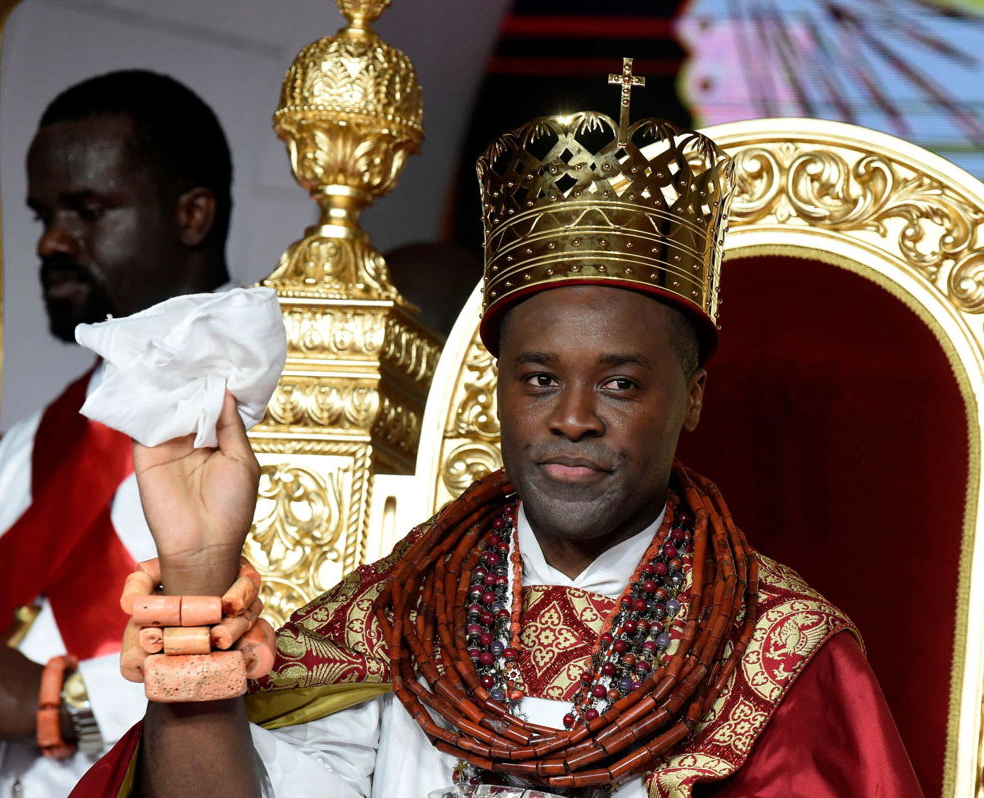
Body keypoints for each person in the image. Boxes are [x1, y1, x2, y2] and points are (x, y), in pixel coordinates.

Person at [76, 96, 921, 797]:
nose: (573, 418)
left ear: (691, 396)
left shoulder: (776, 654)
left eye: (621, 384)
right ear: (501, 390)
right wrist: (197, 569)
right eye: (540, 378)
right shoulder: (401, 615)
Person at [0, 69, 233, 797]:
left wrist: (59, 702)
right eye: (43, 217)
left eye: (87, 211)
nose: (51, 244)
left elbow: (301, 653)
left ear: (192, 215)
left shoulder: (269, 408)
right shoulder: (31, 441)